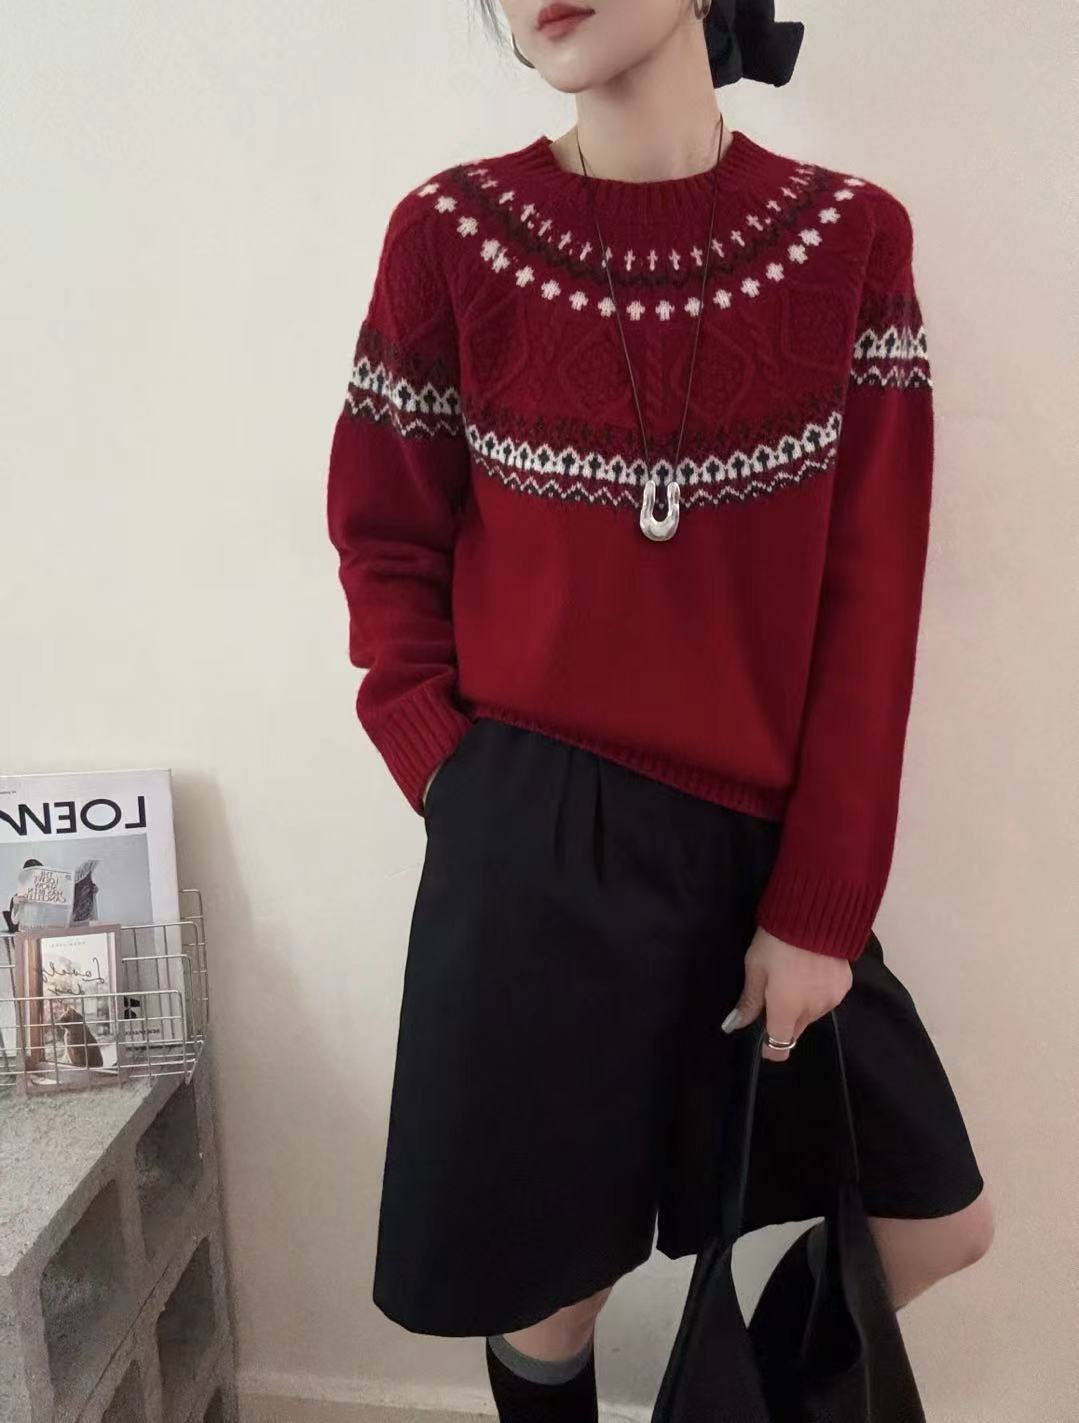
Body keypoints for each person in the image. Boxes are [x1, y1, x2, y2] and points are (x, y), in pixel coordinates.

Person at [325, 2, 993, 1417]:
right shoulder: (450, 236)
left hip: (759, 844)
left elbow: (872, 601)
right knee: (550, 1286)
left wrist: (823, 905)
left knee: (937, 1220)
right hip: (531, 835)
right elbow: (385, 539)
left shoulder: (852, 240)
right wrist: (453, 778)